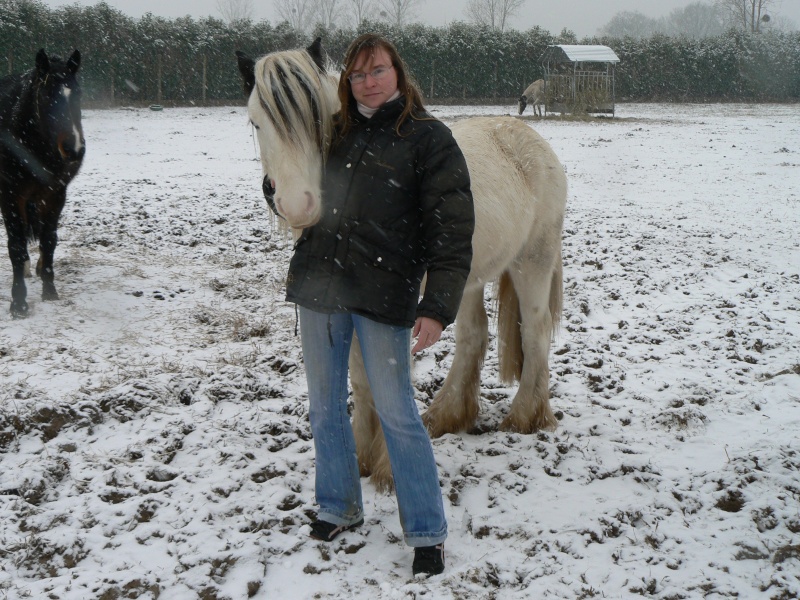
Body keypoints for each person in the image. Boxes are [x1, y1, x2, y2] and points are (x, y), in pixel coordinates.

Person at [285, 33, 475, 576]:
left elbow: (452, 228)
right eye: (358, 74)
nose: (368, 82)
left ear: (398, 72)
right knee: (324, 407)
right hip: (319, 289)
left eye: (378, 70)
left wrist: (437, 305)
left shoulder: (427, 138)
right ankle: (338, 506)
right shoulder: (333, 132)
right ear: (348, 82)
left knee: (397, 413)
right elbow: (296, 189)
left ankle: (426, 531)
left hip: (384, 295)